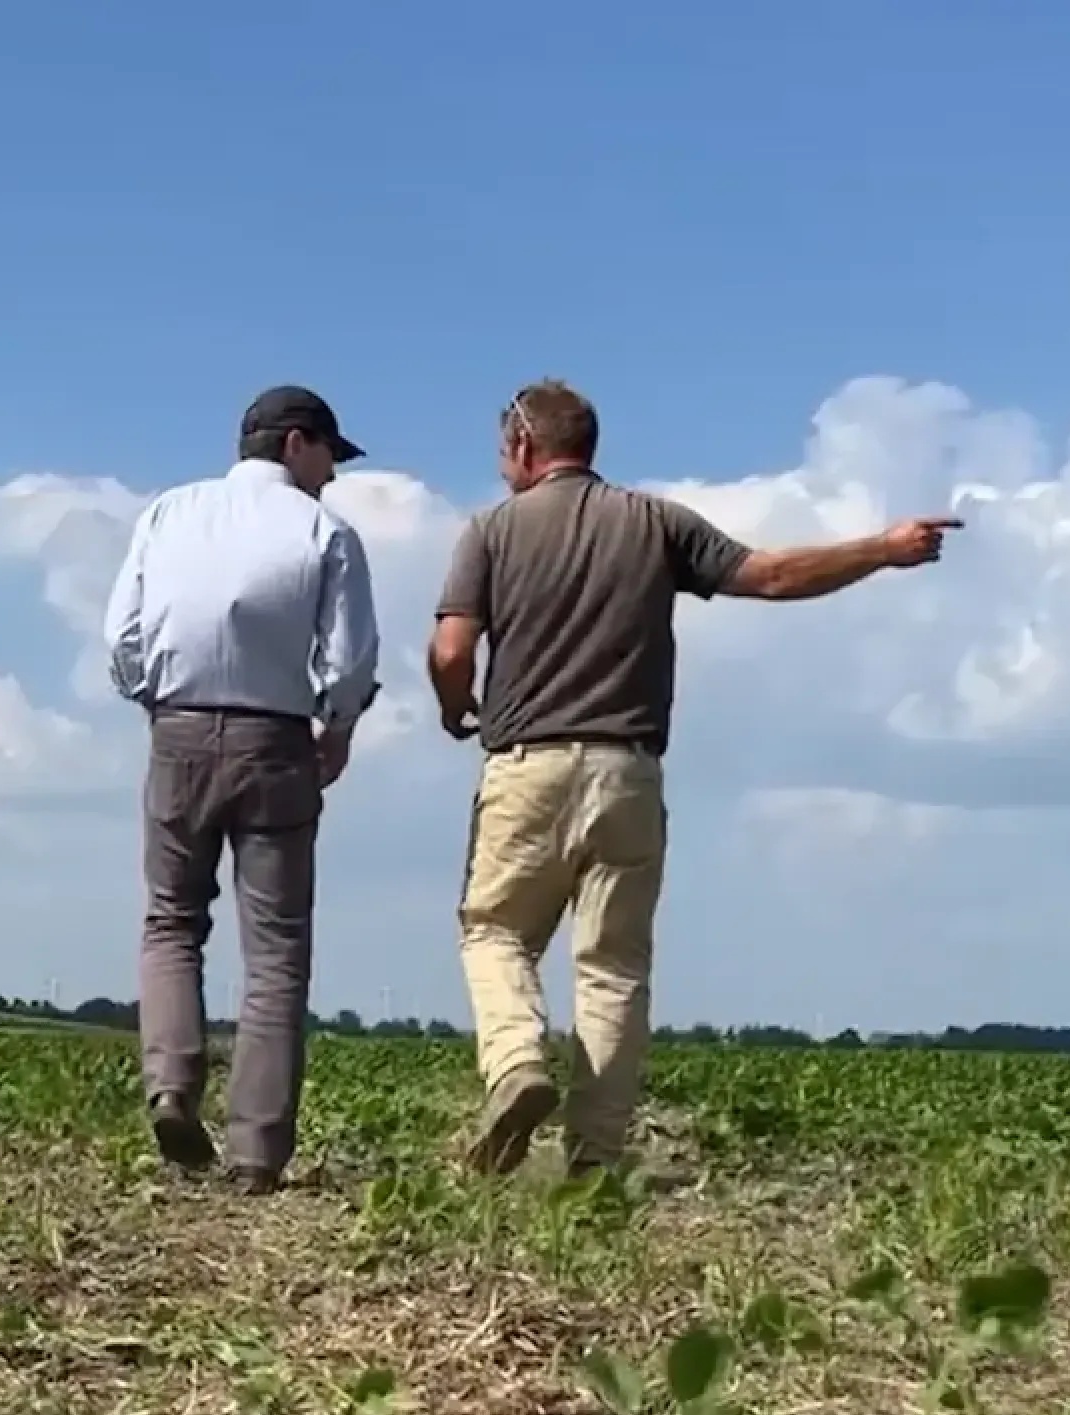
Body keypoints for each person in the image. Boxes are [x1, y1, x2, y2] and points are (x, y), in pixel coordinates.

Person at [426, 379, 954, 1179]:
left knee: (495, 930)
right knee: (612, 969)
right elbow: (770, 575)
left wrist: (454, 705)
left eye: (504, 453)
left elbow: (452, 652)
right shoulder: (655, 522)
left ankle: (516, 1067)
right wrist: (883, 548)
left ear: (526, 447)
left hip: (526, 765)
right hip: (629, 772)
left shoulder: (490, 532)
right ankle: (595, 1161)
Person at [101, 384, 381, 1194]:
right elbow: (350, 658)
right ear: (298, 444)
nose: (333, 473)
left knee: (171, 922)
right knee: (276, 952)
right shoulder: (325, 529)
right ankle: (257, 1152)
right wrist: (339, 724)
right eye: (331, 454)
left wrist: (155, 700)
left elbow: (122, 634)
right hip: (276, 741)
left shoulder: (167, 512)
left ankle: (170, 1087)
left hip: (178, 731)